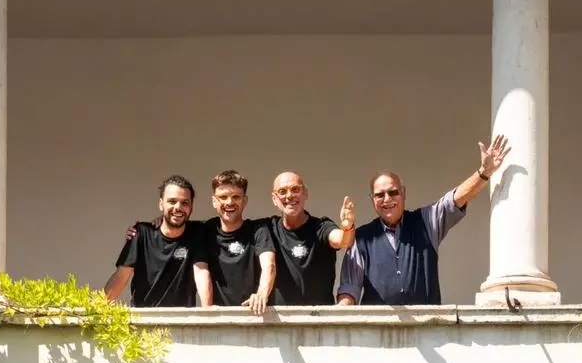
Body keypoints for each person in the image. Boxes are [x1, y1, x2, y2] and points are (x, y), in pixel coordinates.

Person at [336, 135, 511, 306]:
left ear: (403, 194)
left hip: (426, 328)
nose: (387, 199)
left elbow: (456, 199)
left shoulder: (426, 222)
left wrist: (484, 173)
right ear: (372, 200)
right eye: (380, 195)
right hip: (377, 331)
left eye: (393, 192)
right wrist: (341, 310)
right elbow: (350, 287)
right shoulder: (361, 238)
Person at [104, 175, 211, 307]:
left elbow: (201, 272)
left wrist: (207, 312)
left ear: (191, 207)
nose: (178, 207)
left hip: (182, 320)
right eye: (172, 201)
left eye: (185, 203)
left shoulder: (197, 232)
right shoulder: (141, 233)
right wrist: (98, 309)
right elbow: (121, 276)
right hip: (143, 321)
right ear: (161, 204)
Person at [267, 171, 355, 305]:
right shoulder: (267, 229)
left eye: (295, 189)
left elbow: (342, 240)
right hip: (279, 321)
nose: (289, 195)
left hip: (318, 320)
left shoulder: (321, 227)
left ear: (305, 193)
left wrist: (347, 227)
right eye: (282, 191)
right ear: (274, 198)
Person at [200, 170, 276, 315]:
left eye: (236, 197)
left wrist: (261, 295)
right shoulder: (205, 230)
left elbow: (269, 265)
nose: (229, 202)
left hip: (254, 315)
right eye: (223, 197)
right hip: (218, 316)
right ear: (214, 201)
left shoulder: (258, 230)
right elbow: (201, 270)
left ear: (244, 201)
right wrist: (207, 311)